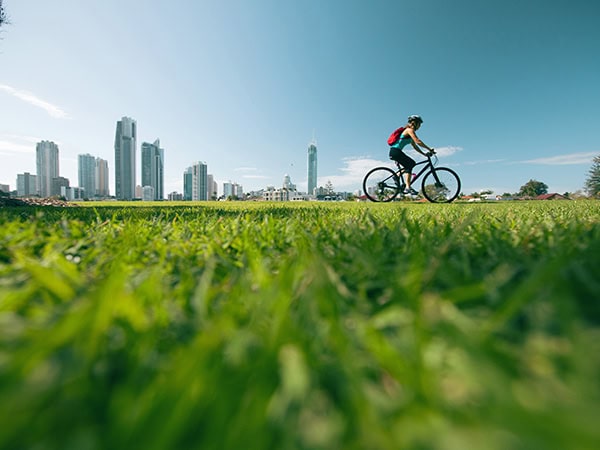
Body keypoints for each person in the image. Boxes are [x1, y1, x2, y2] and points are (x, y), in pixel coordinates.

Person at [389, 115, 435, 195]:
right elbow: (418, 141)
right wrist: (429, 149)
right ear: (414, 123)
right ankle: (407, 187)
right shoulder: (409, 130)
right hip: (395, 151)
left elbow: (415, 146)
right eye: (419, 124)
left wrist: (424, 154)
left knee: (411, 164)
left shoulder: (409, 134)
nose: (419, 126)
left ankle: (397, 176)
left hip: (396, 151)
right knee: (410, 164)